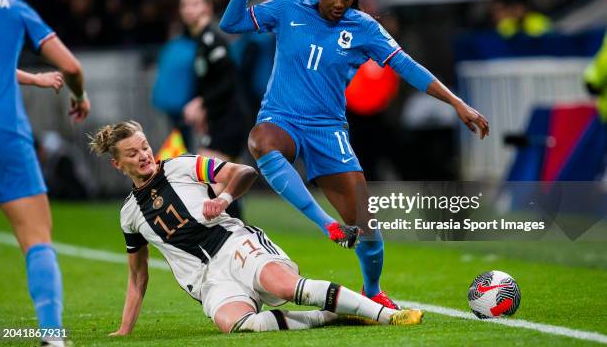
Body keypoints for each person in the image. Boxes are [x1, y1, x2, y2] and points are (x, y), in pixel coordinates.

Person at [219, 0, 489, 308]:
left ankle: (373, 290)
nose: (338, 3)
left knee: (366, 226)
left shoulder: (363, 28)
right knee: (260, 140)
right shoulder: (288, 8)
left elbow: (407, 67)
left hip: (328, 131)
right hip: (282, 119)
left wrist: (457, 103)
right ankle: (325, 223)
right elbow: (232, 22)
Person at [88, 120, 423, 335]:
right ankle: (334, 316)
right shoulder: (129, 215)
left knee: (286, 288)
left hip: (234, 246)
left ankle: (386, 315)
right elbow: (137, 276)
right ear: (118, 164)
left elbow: (245, 172)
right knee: (239, 326)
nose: (144, 155)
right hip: (207, 280)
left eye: (145, 146)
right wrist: (124, 330)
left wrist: (224, 198)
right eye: (133, 153)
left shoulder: (181, 166)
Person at [0, 0, 91, 346]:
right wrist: (79, 95)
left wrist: (31, 79)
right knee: (37, 240)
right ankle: (52, 336)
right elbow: (71, 66)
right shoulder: (14, 9)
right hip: (6, 136)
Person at [179, 0, 249, 220]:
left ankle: (224, 236)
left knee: (208, 181)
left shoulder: (212, 38)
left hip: (229, 121)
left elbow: (227, 81)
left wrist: (200, 103)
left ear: (208, 7)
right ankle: (243, 235)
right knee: (227, 182)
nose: (189, 9)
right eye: (185, 4)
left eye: (195, 3)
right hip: (221, 120)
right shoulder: (201, 41)